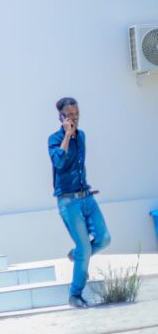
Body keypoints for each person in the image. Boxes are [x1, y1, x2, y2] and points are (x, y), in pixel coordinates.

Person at [49, 97, 111, 308]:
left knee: (104, 239)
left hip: (87, 197)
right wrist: (67, 135)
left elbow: (79, 166)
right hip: (69, 202)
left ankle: (76, 255)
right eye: (69, 115)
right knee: (85, 248)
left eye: (76, 114)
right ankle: (75, 294)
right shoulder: (54, 139)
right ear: (61, 117)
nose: (74, 118)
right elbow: (59, 162)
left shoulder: (82, 136)